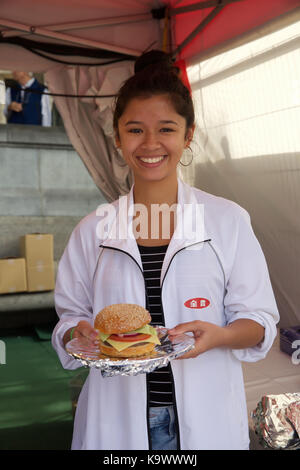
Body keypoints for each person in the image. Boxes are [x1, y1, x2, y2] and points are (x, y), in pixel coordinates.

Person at [52, 50, 279, 450]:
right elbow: (69, 319)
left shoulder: (226, 221)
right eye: (136, 130)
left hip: (206, 419)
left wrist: (220, 335)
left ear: (188, 135)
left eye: (167, 129)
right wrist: (79, 331)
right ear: (118, 137)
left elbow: (258, 320)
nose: (151, 144)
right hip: (116, 421)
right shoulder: (93, 230)